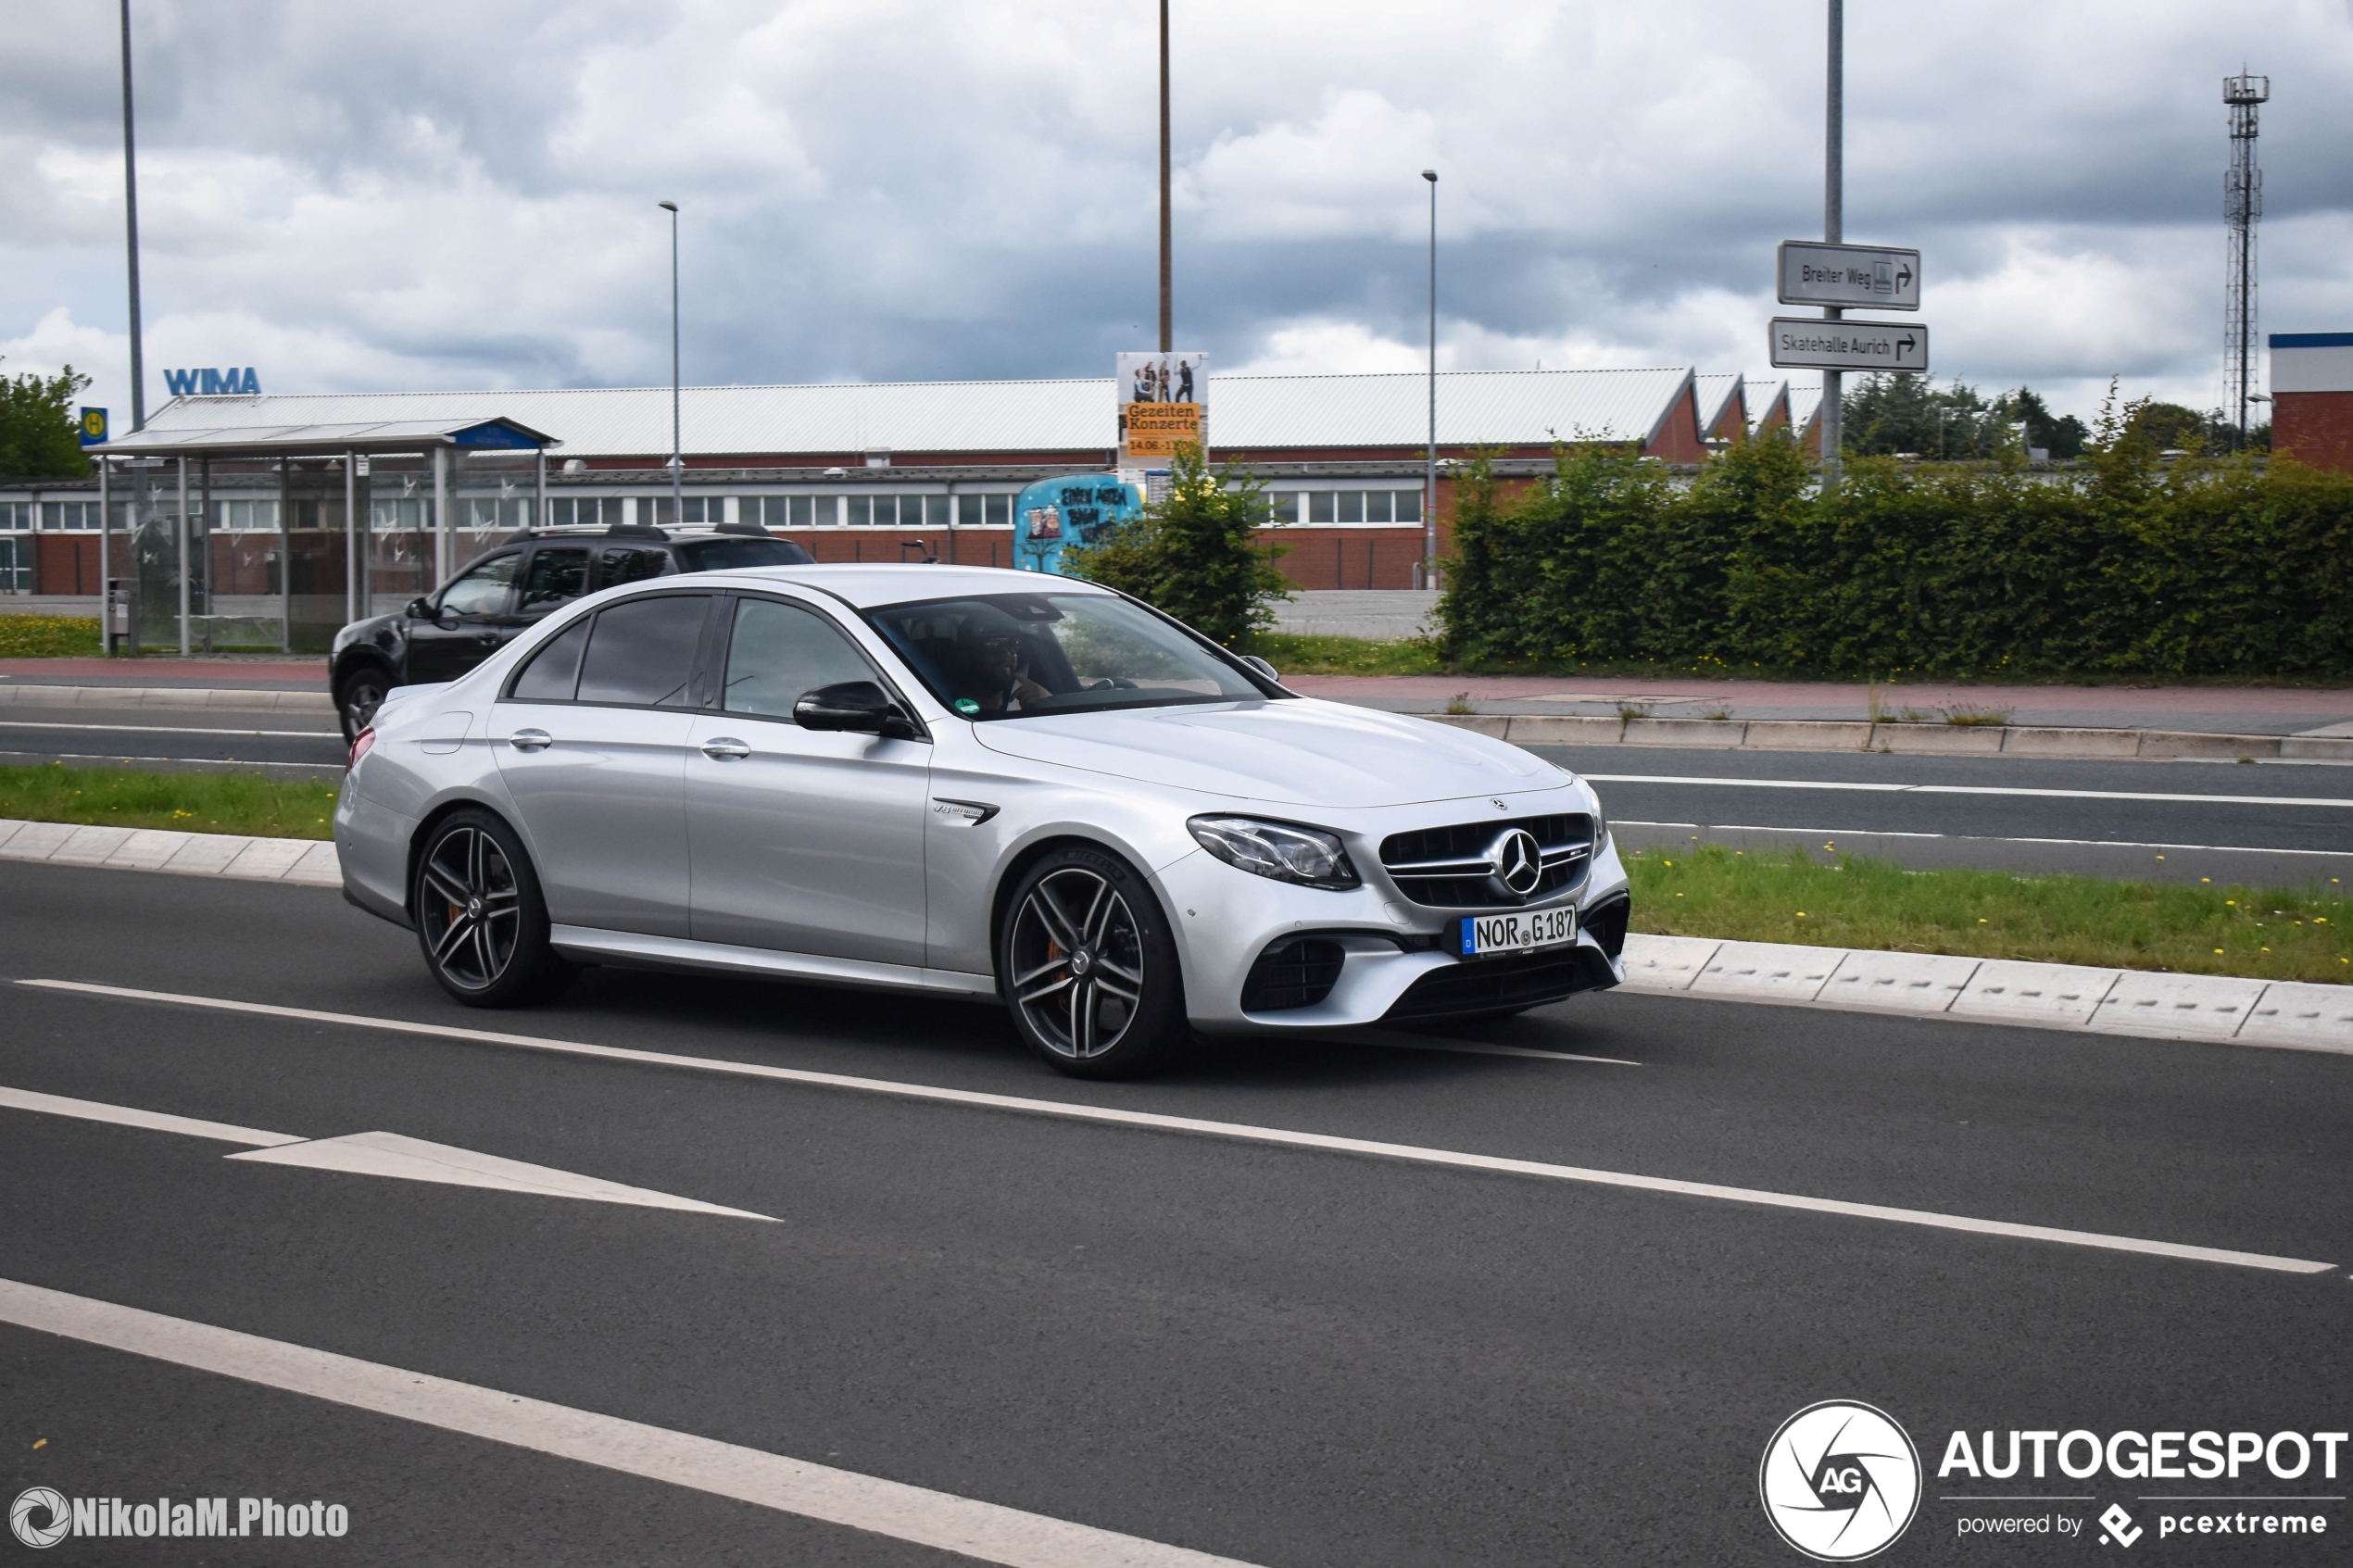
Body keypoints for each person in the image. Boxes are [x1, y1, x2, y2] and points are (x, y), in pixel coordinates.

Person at [955, 633, 1051, 714]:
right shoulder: (946, 707)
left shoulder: (1030, 701)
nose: (1006, 653)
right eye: (992, 645)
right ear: (967, 658)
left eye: (1012, 645)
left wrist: (1047, 702)